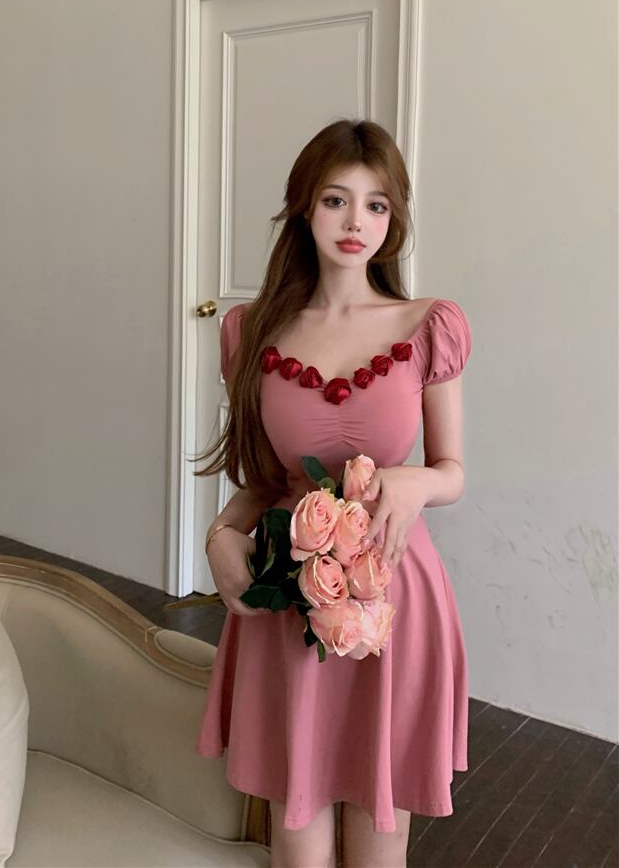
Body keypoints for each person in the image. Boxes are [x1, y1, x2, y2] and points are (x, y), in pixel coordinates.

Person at [190, 118, 471, 868]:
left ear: (394, 218)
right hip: (291, 593)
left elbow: (452, 470)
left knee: (382, 827)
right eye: (336, 201)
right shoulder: (251, 331)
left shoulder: (428, 325)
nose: (356, 223)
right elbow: (263, 478)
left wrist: (412, 481)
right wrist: (220, 537)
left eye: (376, 205)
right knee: (297, 821)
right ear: (304, 208)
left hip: (394, 591)